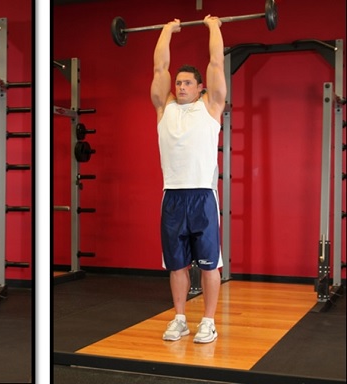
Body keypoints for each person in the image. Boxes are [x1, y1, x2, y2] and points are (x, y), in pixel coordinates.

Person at [150, 15, 226, 344]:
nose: (180, 86)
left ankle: (208, 322)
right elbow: (158, 69)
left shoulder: (211, 108)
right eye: (178, 82)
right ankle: (180, 318)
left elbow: (215, 62)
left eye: (187, 83)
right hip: (172, 196)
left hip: (202, 198)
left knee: (209, 265)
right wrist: (167, 30)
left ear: (200, 88)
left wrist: (213, 27)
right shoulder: (163, 108)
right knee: (176, 265)